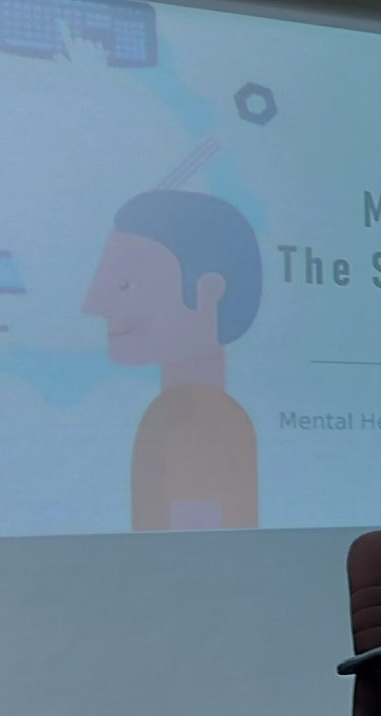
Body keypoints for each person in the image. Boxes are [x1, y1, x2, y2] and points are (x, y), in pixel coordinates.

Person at [81, 185, 262, 531]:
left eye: (124, 285)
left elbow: (200, 548)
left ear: (208, 292)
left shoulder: (199, 420)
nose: (92, 305)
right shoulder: (173, 414)